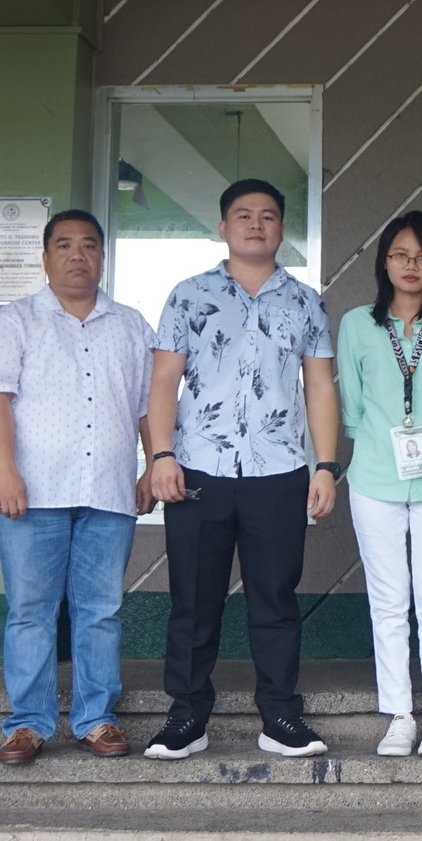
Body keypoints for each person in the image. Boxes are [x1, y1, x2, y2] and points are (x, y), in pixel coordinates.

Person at [143, 178, 341, 760]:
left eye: (269, 216)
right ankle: (186, 718)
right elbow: (162, 380)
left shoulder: (305, 300)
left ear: (282, 229)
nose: (257, 224)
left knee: (275, 600)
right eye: (244, 215)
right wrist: (159, 457)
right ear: (223, 226)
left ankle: (280, 716)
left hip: (279, 473)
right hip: (197, 471)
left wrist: (325, 466)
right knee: (193, 600)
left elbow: (320, 386)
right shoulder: (188, 295)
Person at [0, 210, 155, 764]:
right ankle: (27, 723)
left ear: (102, 256)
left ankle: (96, 719)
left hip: (108, 494)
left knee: (100, 611)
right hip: (31, 494)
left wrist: (150, 466)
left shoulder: (131, 325)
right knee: (30, 610)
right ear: (45, 259)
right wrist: (5, 471)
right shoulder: (15, 320)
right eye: (65, 245)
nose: (78, 255)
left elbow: (148, 407)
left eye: (89, 245)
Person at [336, 212, 422, 757]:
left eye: (420, 256)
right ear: (383, 261)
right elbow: (352, 408)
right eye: (399, 255)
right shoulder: (356, 324)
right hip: (372, 477)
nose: (410, 266)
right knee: (388, 602)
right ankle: (398, 714)